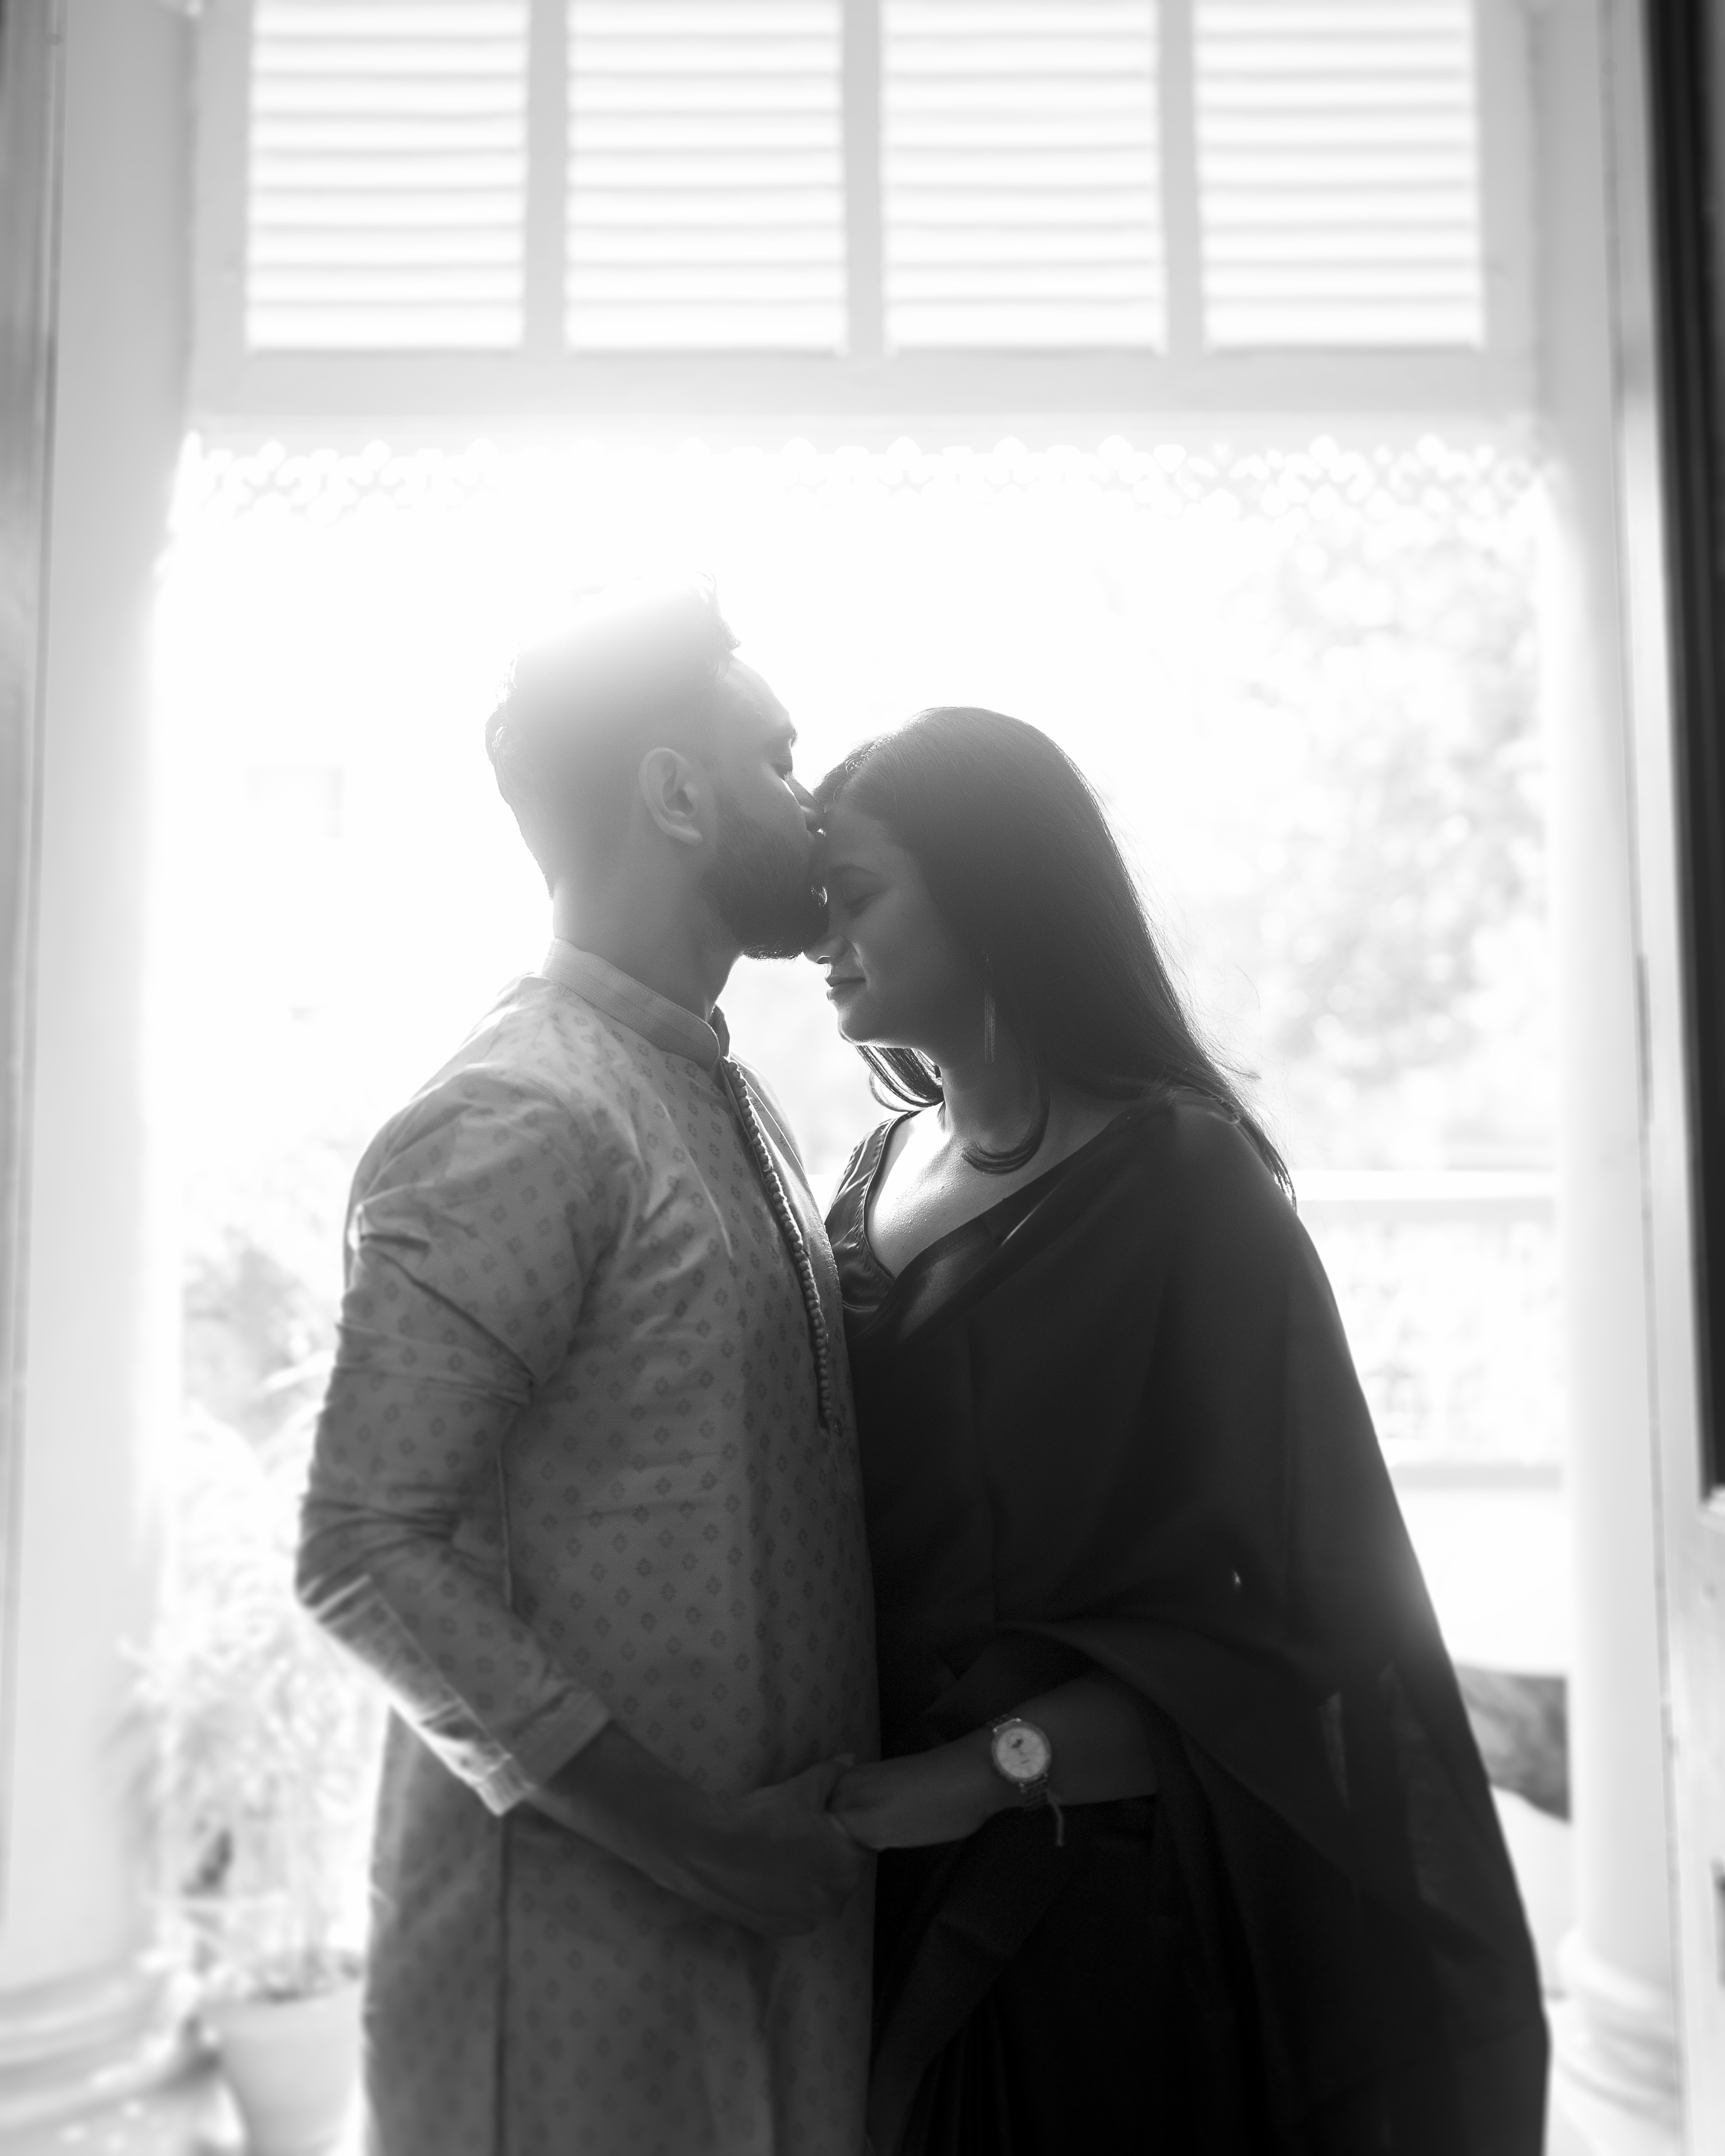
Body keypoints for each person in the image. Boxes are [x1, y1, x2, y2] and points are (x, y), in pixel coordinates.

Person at [806, 707, 1548, 2155]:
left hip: (1077, 1896)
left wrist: (979, 1776)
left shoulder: (1179, 1189)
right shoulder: (866, 1169)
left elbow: (1290, 1625)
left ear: (991, 888)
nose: (817, 938)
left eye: (859, 895)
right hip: (863, 1872)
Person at [297, 584, 877, 2155]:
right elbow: (361, 1552)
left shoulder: (719, 1093)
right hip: (564, 1995)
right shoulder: (522, 1114)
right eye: (777, 757)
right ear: (675, 792)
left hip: (756, 1961)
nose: (809, 800)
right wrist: (702, 1845)